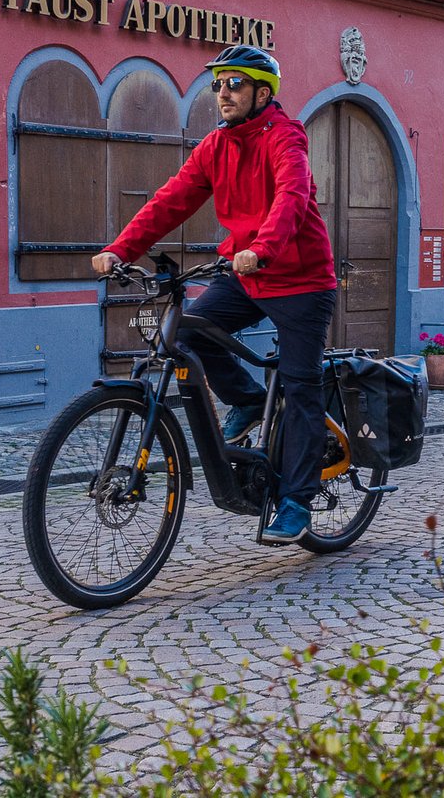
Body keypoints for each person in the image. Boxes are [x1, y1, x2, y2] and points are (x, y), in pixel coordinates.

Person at [92, 45, 337, 544]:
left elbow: (291, 197)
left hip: (299, 278)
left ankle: (296, 500)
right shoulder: (216, 145)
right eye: (218, 84)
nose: (222, 93)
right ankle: (247, 400)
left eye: (235, 84)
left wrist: (263, 248)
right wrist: (121, 249)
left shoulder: (285, 138)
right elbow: (170, 201)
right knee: (190, 337)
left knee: (299, 384)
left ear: (262, 93)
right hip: (246, 275)